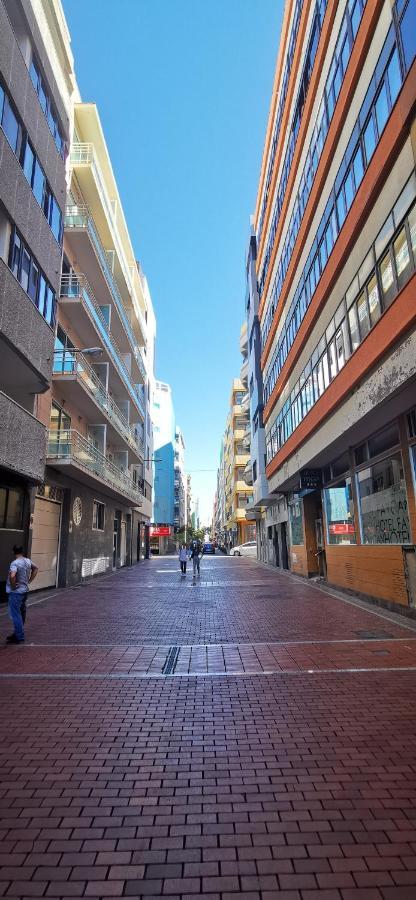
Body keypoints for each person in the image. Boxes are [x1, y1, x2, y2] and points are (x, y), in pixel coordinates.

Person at [5, 546, 38, 644]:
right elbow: (36, 568)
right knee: (22, 612)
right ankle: (17, 633)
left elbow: (12, 575)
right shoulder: (28, 561)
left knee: (16, 614)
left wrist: (13, 586)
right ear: (22, 551)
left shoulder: (14, 563)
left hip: (16, 593)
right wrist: (29, 580)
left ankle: (19, 636)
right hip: (25, 591)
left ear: (13, 552)